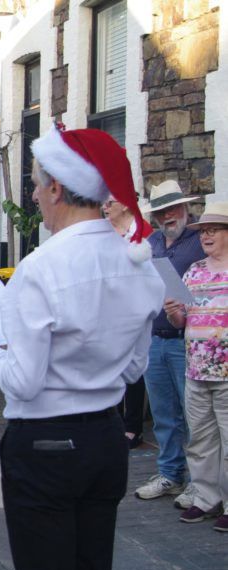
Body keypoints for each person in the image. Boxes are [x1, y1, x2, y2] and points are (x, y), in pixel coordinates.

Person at [0, 126, 163, 570]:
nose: (32, 194)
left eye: (36, 184)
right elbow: (132, 369)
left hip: (46, 447)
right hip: (104, 441)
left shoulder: (40, 269)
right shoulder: (137, 264)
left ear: (57, 188)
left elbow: (23, 383)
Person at [133, 180, 205, 503]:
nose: (167, 216)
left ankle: (198, 481)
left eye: (173, 209)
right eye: (161, 211)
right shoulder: (152, 242)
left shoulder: (200, 241)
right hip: (156, 338)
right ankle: (170, 473)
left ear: (185, 208)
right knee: (164, 414)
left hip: (186, 340)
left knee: (194, 417)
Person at [161, 203, 228, 532]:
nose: (207, 235)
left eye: (214, 229)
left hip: (227, 371)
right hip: (196, 368)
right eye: (203, 231)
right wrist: (174, 311)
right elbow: (181, 320)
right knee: (200, 439)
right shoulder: (195, 270)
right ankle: (206, 498)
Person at [103, 194, 154, 448]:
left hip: (135, 311)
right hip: (110, 312)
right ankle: (115, 420)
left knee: (134, 371)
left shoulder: (144, 232)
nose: (105, 207)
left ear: (124, 204)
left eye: (110, 203)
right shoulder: (107, 234)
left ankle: (133, 427)